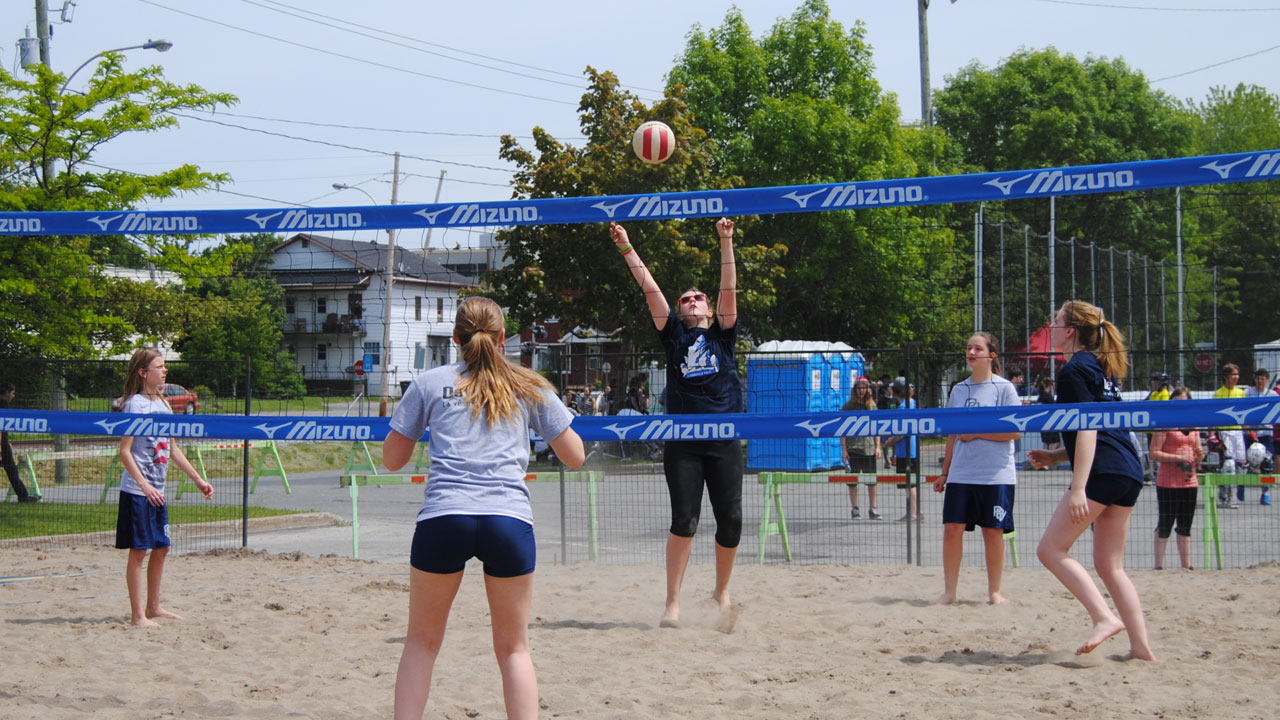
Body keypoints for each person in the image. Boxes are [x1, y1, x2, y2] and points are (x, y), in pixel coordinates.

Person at [383, 296, 585, 720]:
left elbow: (392, 460)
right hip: (507, 520)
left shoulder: (429, 382)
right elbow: (576, 456)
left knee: (421, 643)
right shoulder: (529, 384)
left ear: (455, 338)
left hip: (444, 517)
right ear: (503, 339)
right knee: (514, 648)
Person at [611, 216, 743, 628]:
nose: (691, 300)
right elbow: (650, 288)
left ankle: (721, 591)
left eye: (697, 297)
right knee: (684, 520)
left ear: (708, 307)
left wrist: (725, 241)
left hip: (723, 437)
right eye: (686, 298)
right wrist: (627, 246)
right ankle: (672, 603)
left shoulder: (722, 333)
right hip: (683, 439)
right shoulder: (673, 336)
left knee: (732, 521)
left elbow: (727, 288)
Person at [1028, 300, 1155, 661]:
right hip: (1127, 469)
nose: (1049, 326)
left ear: (1070, 331)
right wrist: (1055, 456)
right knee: (1110, 566)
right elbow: (1104, 431)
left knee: (1050, 550)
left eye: (1055, 321)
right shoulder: (1101, 368)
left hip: (1104, 471)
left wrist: (1079, 487)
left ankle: (1103, 617)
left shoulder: (1072, 371)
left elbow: (1088, 428)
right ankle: (1141, 648)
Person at [115, 348, 214, 628]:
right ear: (143, 373)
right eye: (159, 366)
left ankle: (154, 607)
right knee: (139, 551)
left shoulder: (164, 404)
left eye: (165, 366)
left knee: (162, 548)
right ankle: (138, 616)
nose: (165, 370)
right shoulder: (134, 404)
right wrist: (143, 484)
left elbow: (172, 448)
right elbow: (125, 452)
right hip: (138, 491)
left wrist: (198, 479)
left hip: (157, 489)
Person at [932, 333, 1021, 605]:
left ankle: (994, 592)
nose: (971, 351)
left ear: (991, 355)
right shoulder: (959, 390)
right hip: (962, 473)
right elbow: (951, 434)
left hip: (996, 474)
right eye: (968, 347)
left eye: (977, 348)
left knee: (992, 531)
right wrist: (945, 472)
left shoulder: (1004, 388)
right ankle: (950, 592)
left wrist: (976, 433)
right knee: (952, 529)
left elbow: (1014, 432)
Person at [1149, 387, 1203, 570]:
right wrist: (1178, 458)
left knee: (1185, 524)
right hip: (1168, 481)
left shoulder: (1194, 425)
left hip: (1189, 480)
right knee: (1165, 523)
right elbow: (1154, 453)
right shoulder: (1165, 423)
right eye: (1179, 400)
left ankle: (1186, 566)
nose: (1182, 404)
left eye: (1186, 401)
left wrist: (1199, 454)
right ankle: (1158, 566)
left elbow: (1197, 452)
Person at [840, 376, 882, 520]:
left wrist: (878, 447)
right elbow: (842, 429)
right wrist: (844, 449)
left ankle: (873, 508)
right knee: (852, 481)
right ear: (855, 389)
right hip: (853, 448)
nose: (862, 391)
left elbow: (877, 428)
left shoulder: (872, 405)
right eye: (859, 388)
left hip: (869, 448)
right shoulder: (848, 407)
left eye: (864, 388)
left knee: (872, 480)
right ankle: (855, 508)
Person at [883, 378, 921, 522]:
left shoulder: (904, 407)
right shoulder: (912, 403)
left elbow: (902, 431)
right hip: (912, 450)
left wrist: (890, 441)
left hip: (905, 451)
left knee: (909, 483)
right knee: (911, 483)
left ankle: (913, 513)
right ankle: (914, 511)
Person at [1213, 363, 1247, 508]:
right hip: (1224, 431)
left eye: (1237, 374)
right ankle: (1230, 495)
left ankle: (1228, 488)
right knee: (1229, 464)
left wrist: (1248, 429)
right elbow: (1213, 415)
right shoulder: (1218, 393)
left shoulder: (1241, 393)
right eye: (1233, 374)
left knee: (1242, 463)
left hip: (1238, 431)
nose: (1236, 377)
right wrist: (1212, 433)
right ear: (1226, 376)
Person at [1, 382, 39, 502]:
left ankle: (23, 495)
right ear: (6, 393)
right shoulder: (3, 405)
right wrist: (3, 445)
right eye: (12, 393)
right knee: (12, 471)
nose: (13, 396)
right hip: (2, 445)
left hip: (3, 443)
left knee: (12, 470)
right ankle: (23, 496)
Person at [1245, 368, 1273, 506]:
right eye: (1257, 378)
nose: (1260, 381)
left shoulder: (1272, 394)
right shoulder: (1248, 392)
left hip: (1266, 433)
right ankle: (1241, 486)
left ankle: (1265, 492)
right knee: (1244, 462)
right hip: (1251, 432)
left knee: (1267, 464)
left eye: (1262, 378)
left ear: (1267, 379)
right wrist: (1247, 428)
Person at [1035, 376, 1061, 463]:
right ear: (1050, 386)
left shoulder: (1040, 396)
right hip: (1051, 422)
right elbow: (1054, 408)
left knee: (1045, 442)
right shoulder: (1048, 397)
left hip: (1042, 423)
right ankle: (1049, 458)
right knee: (1056, 442)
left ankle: (1042, 460)